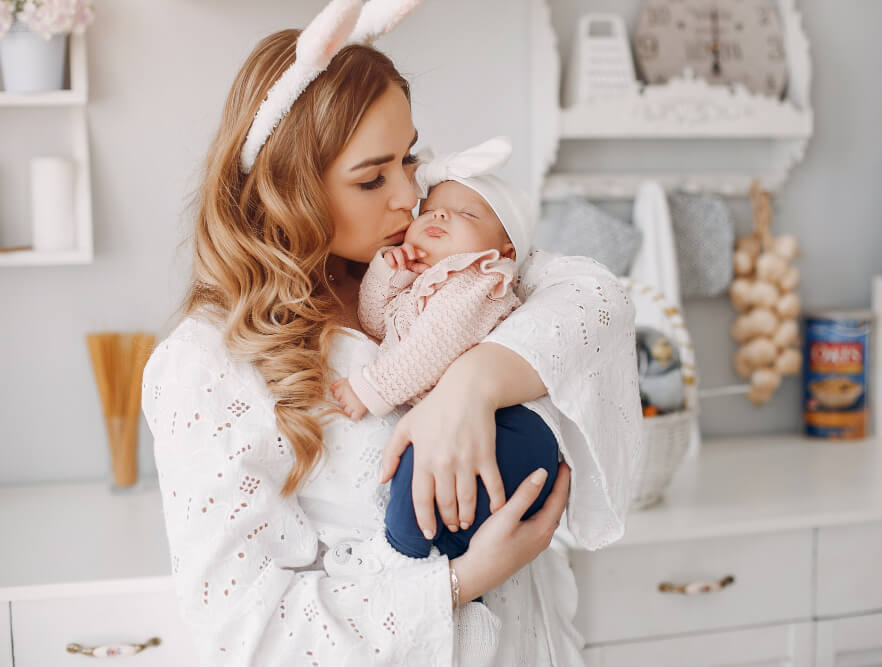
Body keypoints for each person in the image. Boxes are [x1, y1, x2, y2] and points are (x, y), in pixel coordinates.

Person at [141, 1, 641, 665]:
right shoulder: (206, 366)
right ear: (291, 188)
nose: (410, 193)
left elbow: (600, 298)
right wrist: (461, 580)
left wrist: (470, 383)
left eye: (408, 158)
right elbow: (247, 636)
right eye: (372, 177)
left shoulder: (426, 262)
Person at [331, 139, 560, 631]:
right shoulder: (427, 281)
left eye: (466, 215)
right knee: (424, 467)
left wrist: (370, 389)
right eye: (431, 209)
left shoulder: (479, 281)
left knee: (419, 474)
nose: (438, 217)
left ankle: (413, 562)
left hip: (513, 431)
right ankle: (437, 575)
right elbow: (378, 326)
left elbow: (432, 348)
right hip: (468, 422)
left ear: (504, 251)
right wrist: (387, 274)